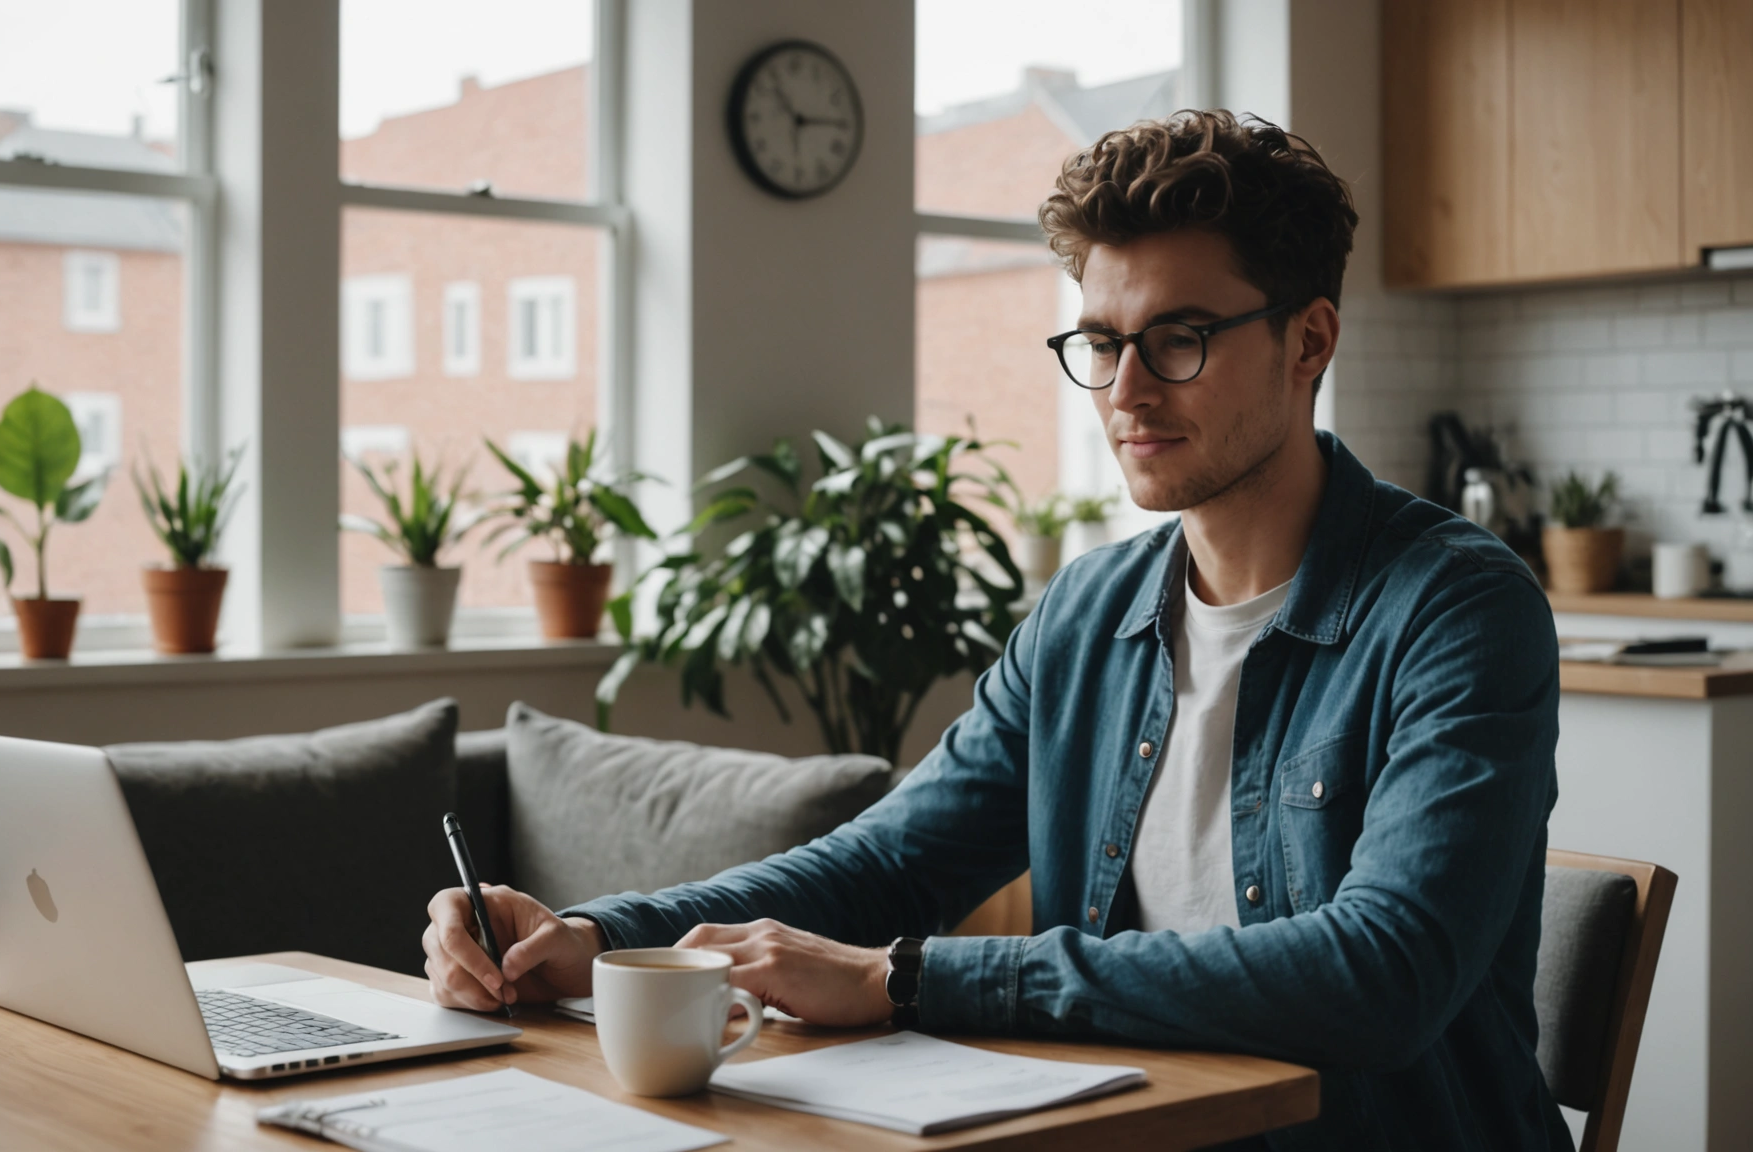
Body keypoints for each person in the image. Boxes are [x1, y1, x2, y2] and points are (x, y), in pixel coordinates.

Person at [424, 110, 1567, 1150]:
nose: (1125, 389)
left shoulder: (1456, 606)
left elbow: (1383, 973)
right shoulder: (1087, 614)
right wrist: (592, 938)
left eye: (1180, 339)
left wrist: (908, 981)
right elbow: (885, 863)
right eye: (1101, 343)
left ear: (1308, 342)